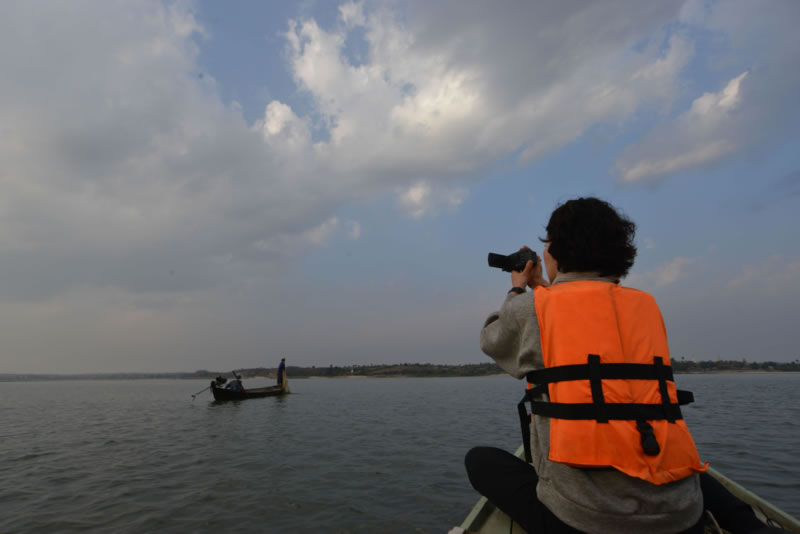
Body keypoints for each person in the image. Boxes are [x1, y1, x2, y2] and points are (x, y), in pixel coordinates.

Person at [469, 197, 707, 534]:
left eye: (547, 245)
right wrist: (545, 285)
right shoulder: (645, 305)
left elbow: (492, 339)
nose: (545, 254)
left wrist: (518, 287)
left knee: (480, 461)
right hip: (683, 517)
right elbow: (583, 311)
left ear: (560, 251)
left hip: (586, 522)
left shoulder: (532, 308)